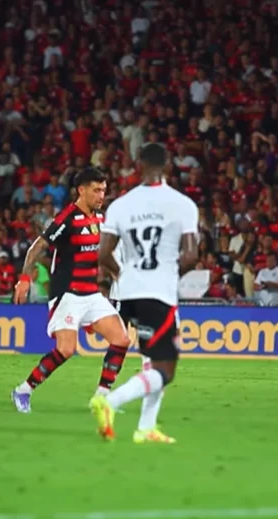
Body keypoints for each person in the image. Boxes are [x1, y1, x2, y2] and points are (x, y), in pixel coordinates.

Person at [90, 143, 198, 443]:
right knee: (166, 368)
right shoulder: (182, 204)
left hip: (128, 292)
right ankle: (109, 402)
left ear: (138, 166)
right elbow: (191, 255)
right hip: (158, 293)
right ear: (167, 166)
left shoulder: (120, 205)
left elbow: (103, 254)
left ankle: (146, 428)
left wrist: (125, 274)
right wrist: (168, 274)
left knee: (153, 359)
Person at [11, 167, 129, 413]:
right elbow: (37, 247)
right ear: (81, 190)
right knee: (66, 350)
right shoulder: (68, 218)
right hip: (68, 294)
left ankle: (101, 398)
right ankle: (23, 389)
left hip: (92, 293)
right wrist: (24, 279)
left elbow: (102, 256)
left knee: (121, 340)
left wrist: (119, 275)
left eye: (103, 191)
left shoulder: (99, 219)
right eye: (96, 190)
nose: (101, 196)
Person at [94, 240, 152, 400]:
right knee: (119, 341)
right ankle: (102, 391)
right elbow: (107, 259)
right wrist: (122, 277)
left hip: (141, 295)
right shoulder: (118, 237)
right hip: (122, 296)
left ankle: (149, 381)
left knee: (146, 337)